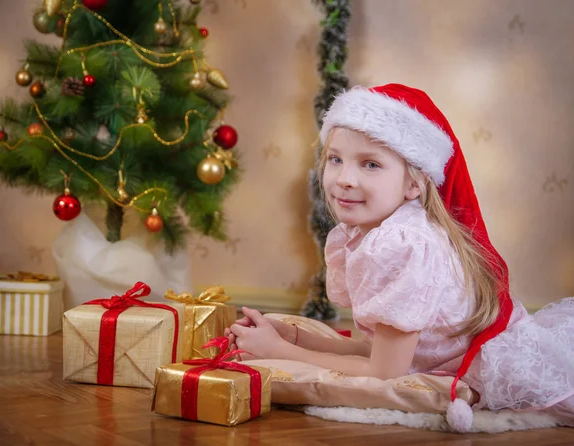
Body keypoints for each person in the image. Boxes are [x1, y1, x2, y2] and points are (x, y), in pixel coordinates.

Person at [225, 84, 574, 430]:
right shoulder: (377, 232)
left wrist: (281, 351)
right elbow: (384, 351)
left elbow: (385, 372)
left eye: (371, 164)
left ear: (413, 184)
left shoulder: (404, 244)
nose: (345, 179)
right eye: (335, 159)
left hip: (500, 366)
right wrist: (301, 339)